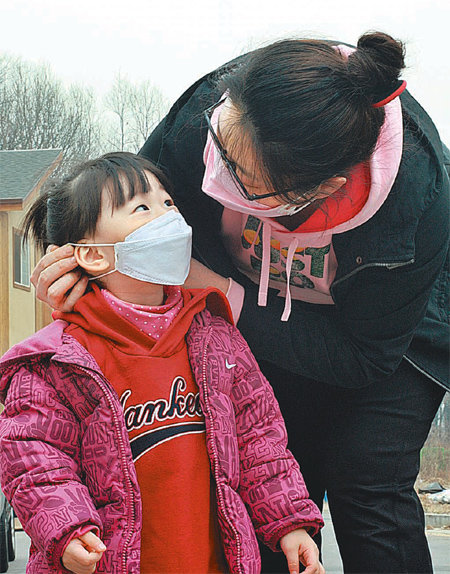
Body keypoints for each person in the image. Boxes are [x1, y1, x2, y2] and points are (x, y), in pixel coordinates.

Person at [31, 32, 449, 574]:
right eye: (218, 141)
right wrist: (73, 268)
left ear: (318, 191)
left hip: (387, 342)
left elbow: (363, 356)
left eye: (240, 176)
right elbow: (111, 204)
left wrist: (218, 290)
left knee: (366, 477)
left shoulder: (416, 195)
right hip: (250, 326)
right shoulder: (209, 118)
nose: (211, 172)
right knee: (263, 470)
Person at [0, 152, 325, 574]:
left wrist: (290, 521)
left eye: (168, 203)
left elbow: (260, 440)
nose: (168, 217)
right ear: (95, 255)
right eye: (142, 207)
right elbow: (34, 455)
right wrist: (67, 528)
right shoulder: (55, 361)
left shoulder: (216, 338)